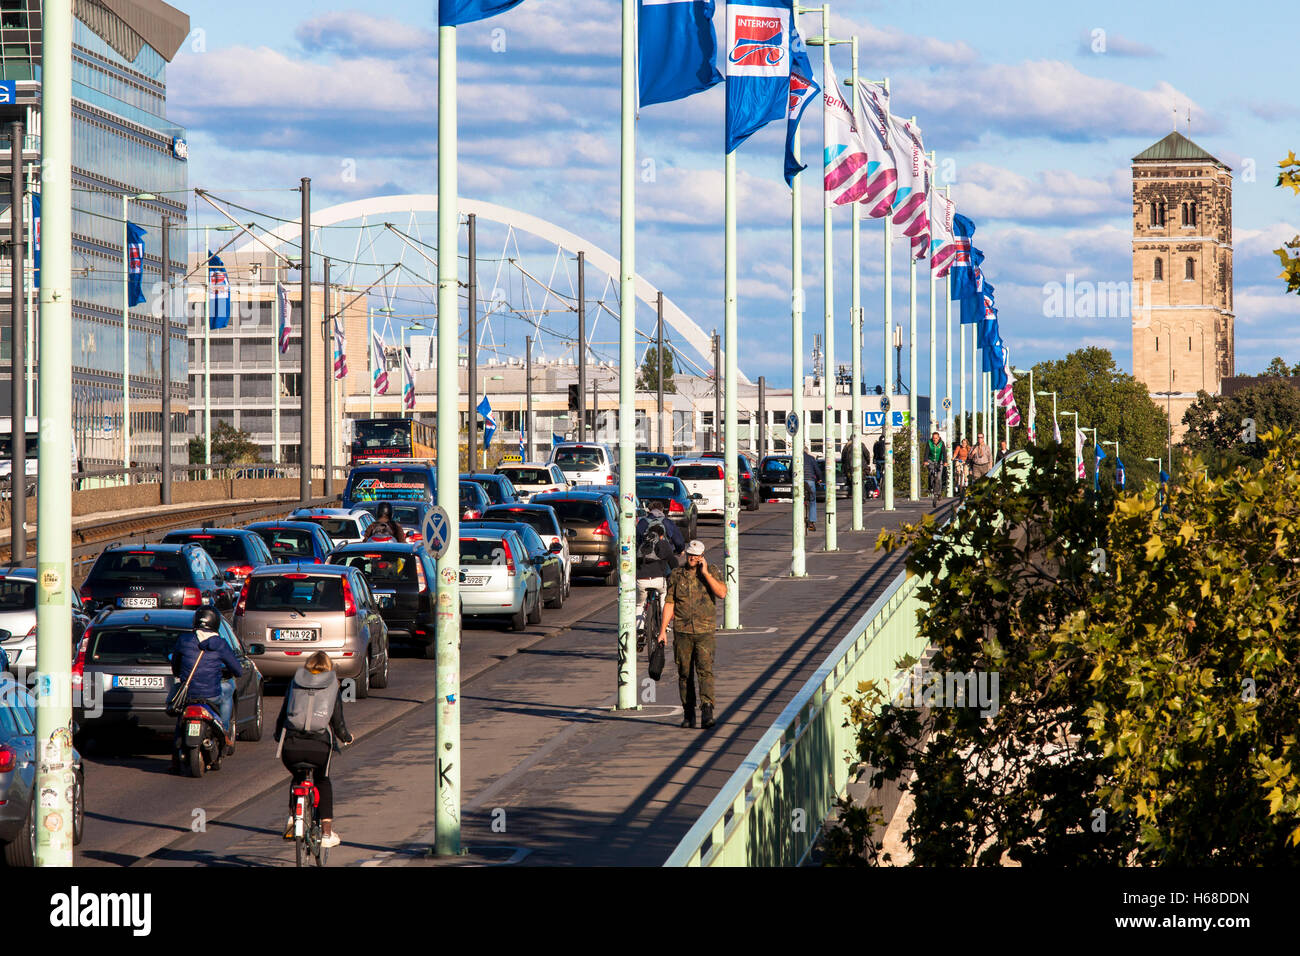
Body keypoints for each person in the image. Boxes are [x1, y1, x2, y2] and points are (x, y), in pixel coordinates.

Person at [275, 651, 353, 848]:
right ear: (329, 668)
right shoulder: (332, 685)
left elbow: (284, 713)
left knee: (297, 777)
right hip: (319, 747)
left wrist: (278, 736)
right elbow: (337, 721)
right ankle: (326, 833)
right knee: (322, 781)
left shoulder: (295, 682)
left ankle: (293, 819)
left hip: (291, 747)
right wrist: (346, 737)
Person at [658, 540, 727, 729]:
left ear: (702, 556)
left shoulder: (711, 571)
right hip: (682, 632)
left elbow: (722, 593)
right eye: (690, 555)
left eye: (696, 555)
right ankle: (688, 713)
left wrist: (705, 573)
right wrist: (663, 630)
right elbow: (670, 603)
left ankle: (707, 709)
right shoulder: (676, 575)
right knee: (684, 673)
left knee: (705, 671)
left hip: (704, 631)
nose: (692, 558)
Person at [171, 607, 243, 767]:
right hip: (211, 695)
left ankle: (175, 758)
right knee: (228, 691)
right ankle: (224, 731)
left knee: (180, 720)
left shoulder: (184, 639)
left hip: (188, 694)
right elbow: (238, 671)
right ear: (216, 623)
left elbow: (175, 665)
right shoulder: (221, 644)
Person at [635, 507, 684, 650]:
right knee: (665, 594)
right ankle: (665, 623)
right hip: (661, 571)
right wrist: (679, 551)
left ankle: (640, 630)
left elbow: (636, 540)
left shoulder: (643, 522)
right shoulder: (667, 523)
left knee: (639, 604)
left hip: (641, 575)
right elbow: (678, 541)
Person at [924, 431, 947, 496]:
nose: (935, 439)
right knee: (931, 473)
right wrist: (925, 461)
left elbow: (944, 453)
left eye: (936, 438)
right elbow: (926, 452)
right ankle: (930, 487)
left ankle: (939, 492)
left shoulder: (941, 443)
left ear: (938, 438)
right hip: (931, 460)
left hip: (940, 460)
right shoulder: (929, 443)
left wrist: (945, 462)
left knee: (939, 477)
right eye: (933, 438)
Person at [802, 447, 820, 532]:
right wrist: (819, 479)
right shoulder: (811, 458)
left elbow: (790, 471)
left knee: (797, 499)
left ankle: (798, 518)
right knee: (812, 500)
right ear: (807, 451)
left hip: (799, 482)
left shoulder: (795, 457)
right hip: (810, 481)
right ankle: (811, 522)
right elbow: (817, 471)